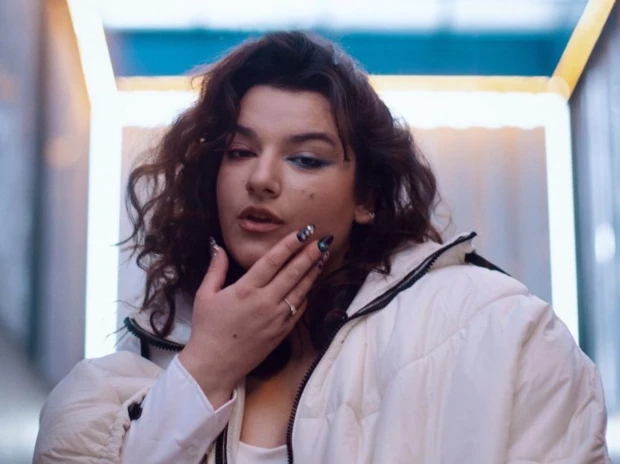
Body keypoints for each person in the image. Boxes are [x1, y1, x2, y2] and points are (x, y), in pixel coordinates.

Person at [34, 31, 610, 464]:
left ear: (367, 196)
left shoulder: (498, 330)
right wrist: (205, 368)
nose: (262, 179)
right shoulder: (117, 382)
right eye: (239, 152)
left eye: (306, 158)